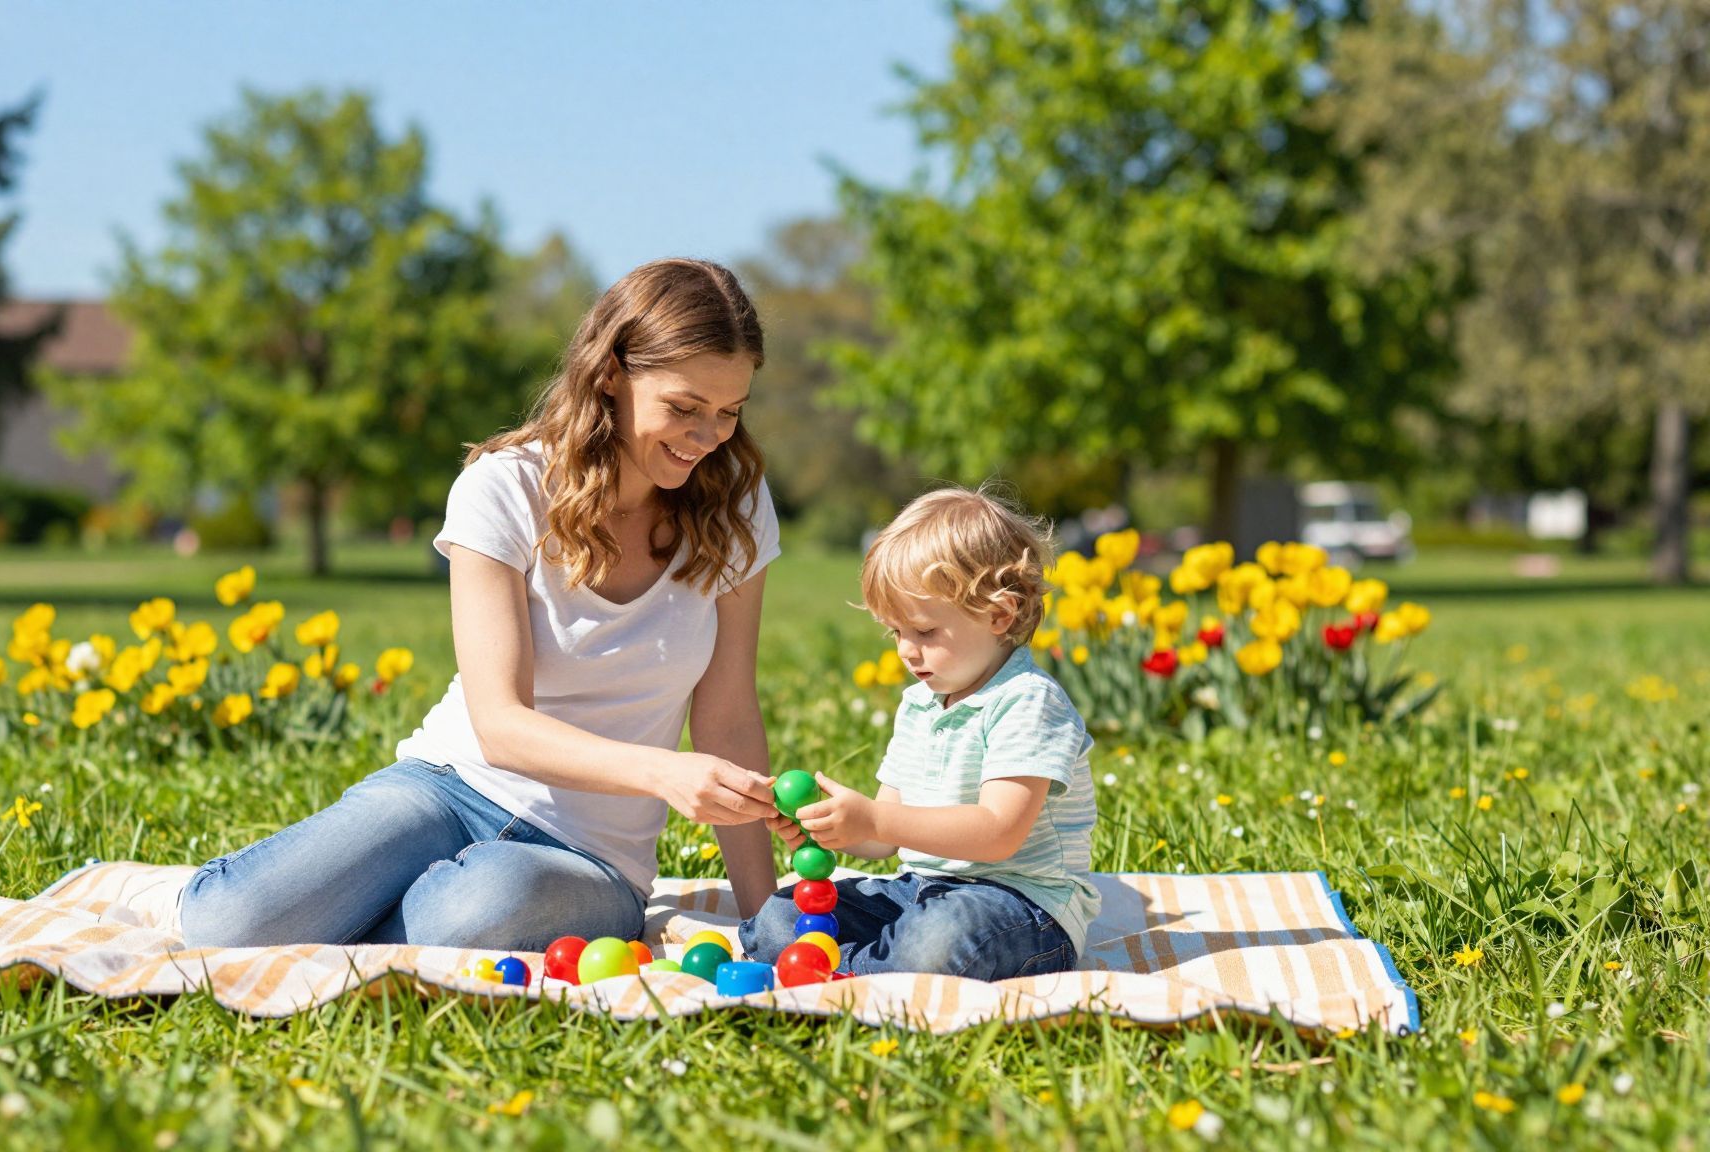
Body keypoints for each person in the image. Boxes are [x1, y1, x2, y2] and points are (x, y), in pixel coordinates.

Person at [180, 258, 784, 950]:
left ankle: (361, 917)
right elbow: (499, 725)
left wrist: (763, 918)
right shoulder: (507, 488)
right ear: (612, 374)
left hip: (588, 857)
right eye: (683, 408)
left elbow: (729, 714)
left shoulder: (735, 506)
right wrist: (661, 771)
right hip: (444, 790)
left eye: (728, 413)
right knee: (227, 923)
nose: (708, 437)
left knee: (471, 914)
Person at [741, 486, 1098, 980]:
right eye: (896, 632)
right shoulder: (919, 705)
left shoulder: (1028, 701)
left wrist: (876, 821)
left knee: (938, 940)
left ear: (1000, 615)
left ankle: (850, 975)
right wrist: (829, 829)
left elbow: (999, 834)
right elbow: (884, 839)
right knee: (778, 919)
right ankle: (879, 972)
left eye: (925, 632)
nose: (907, 651)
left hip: (1022, 906)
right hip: (921, 890)